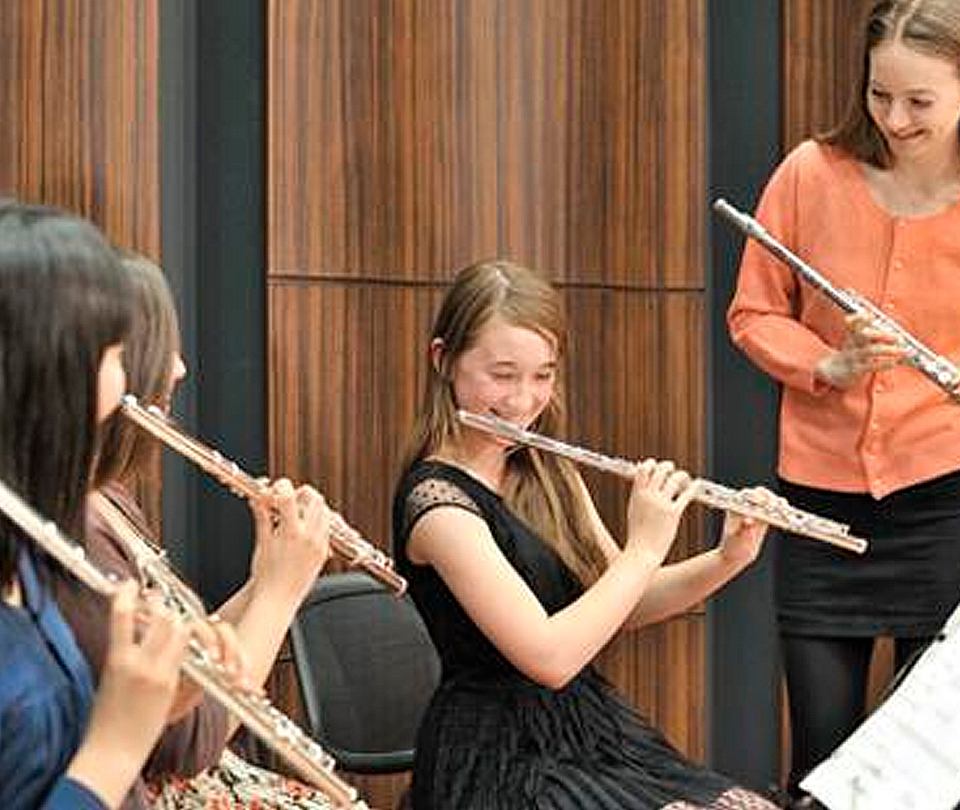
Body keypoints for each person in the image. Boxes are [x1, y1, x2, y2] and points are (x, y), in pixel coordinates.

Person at [392, 259, 780, 810]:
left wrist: (726, 558)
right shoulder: (438, 507)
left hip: (584, 731)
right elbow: (549, 658)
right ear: (443, 361)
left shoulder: (550, 471)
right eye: (502, 375)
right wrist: (644, 547)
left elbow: (622, 603)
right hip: (497, 761)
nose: (524, 401)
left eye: (542, 375)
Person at [726, 1, 960, 806]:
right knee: (822, 767)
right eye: (879, 95)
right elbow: (752, 313)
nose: (894, 119)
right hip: (821, 500)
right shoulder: (810, 172)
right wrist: (830, 361)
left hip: (945, 499)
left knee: (924, 774)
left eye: (919, 102)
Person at [51, 250, 337, 809]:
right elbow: (187, 740)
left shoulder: (107, 497)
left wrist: (268, 574)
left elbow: (187, 653)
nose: (179, 368)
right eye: (160, 348)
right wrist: (280, 593)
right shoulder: (70, 528)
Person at [0, 201, 190, 809]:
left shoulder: (22, 550)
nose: (125, 384)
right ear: (52, 380)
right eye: (113, 353)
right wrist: (114, 748)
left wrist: (158, 695)